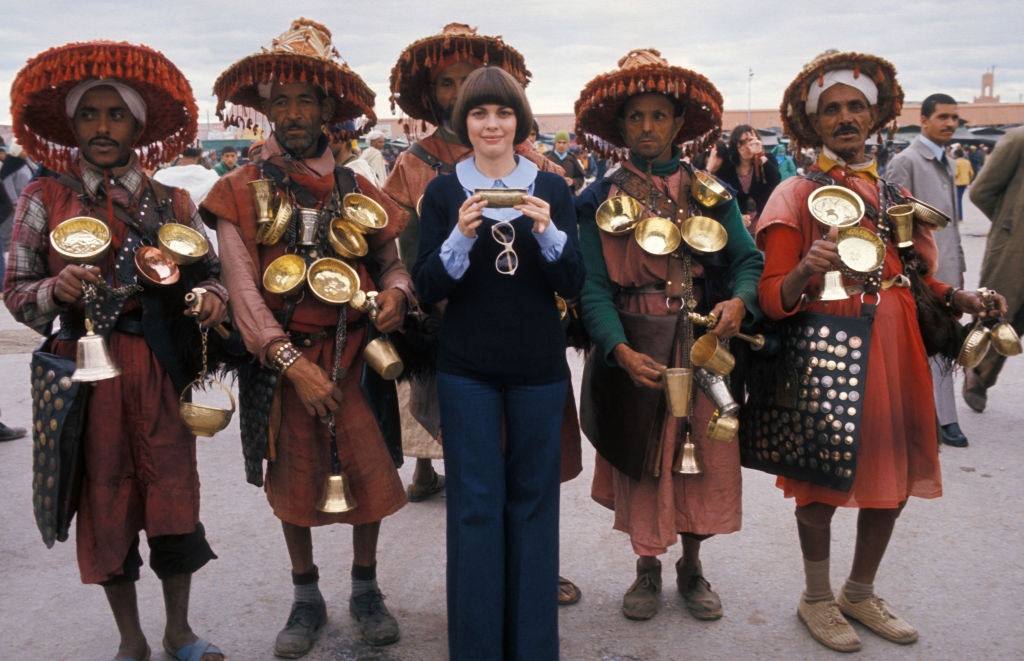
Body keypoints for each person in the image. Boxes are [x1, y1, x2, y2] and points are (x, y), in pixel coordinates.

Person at [755, 50, 1005, 653]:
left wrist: (960, 298)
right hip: (827, 350)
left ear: (874, 117)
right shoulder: (794, 193)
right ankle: (816, 597)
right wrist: (803, 272)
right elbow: (769, 296)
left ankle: (859, 591)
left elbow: (913, 276)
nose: (845, 118)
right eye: (832, 109)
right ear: (812, 124)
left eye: (855, 107)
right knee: (820, 482)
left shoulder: (891, 190)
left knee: (892, 480)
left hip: (897, 352)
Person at [4, 40, 229, 661]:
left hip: (159, 367)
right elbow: (18, 295)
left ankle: (178, 631)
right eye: (89, 115)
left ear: (136, 125)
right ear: (73, 126)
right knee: (103, 498)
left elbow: (210, 272)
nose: (102, 128)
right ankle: (131, 640)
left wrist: (211, 298)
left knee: (172, 492)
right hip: (85, 372)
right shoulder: (42, 200)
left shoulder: (173, 203)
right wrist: (58, 286)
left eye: (115, 115)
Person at [200, 19, 411, 657]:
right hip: (283, 360)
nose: (293, 113)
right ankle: (304, 593)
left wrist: (398, 295)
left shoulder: (358, 186)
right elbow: (241, 289)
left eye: (305, 100)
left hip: (358, 353)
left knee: (369, 473)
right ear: (264, 110)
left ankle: (367, 588)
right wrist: (291, 363)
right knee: (292, 480)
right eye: (280, 100)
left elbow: (392, 261)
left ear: (327, 108)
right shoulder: (237, 190)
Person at [381, 21, 583, 607]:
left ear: (519, 120)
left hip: (539, 367)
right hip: (466, 367)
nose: (491, 124)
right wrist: (461, 238)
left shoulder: (552, 189)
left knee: (534, 501)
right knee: (472, 503)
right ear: (463, 123)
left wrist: (546, 230)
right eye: (478, 113)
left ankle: (530, 637)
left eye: (502, 112)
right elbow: (426, 284)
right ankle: (475, 638)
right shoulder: (445, 193)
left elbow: (572, 282)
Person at [574, 48, 763, 623]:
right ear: (621, 128)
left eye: (660, 116)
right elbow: (592, 287)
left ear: (679, 125)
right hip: (635, 343)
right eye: (637, 118)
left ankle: (692, 566)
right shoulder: (596, 200)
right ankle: (647, 570)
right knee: (643, 456)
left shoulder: (711, 192)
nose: (649, 127)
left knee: (699, 457)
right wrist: (616, 349)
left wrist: (739, 301)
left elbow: (748, 261)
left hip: (700, 344)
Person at [887, 93, 968, 447]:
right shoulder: (905, 162)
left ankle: (941, 415)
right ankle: (938, 418)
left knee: (942, 341)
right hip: (919, 275)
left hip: (948, 268)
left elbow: (949, 225)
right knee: (927, 342)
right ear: (923, 119)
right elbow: (893, 221)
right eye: (943, 117)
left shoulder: (946, 160)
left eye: (954, 118)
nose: (950, 123)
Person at [964, 126, 1024, 411]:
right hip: (1015, 249)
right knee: (1000, 315)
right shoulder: (1018, 139)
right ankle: (977, 375)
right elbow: (981, 192)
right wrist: (1008, 225)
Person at [713, 124, 782, 228]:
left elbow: (776, 179)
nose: (748, 146)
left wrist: (760, 155)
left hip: (764, 222)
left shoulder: (766, 159)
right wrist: (737, 216)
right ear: (736, 145)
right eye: (742, 142)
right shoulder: (727, 167)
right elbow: (721, 198)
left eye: (751, 140)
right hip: (736, 225)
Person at [0, 142, 35, 278]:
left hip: (28, 204)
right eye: (24, 149)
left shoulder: (24, 163)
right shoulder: (10, 167)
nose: (27, 151)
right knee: (12, 240)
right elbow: (7, 187)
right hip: (16, 207)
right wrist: (15, 205)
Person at [153, 146, 221, 207]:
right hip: (200, 217)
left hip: (167, 216)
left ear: (180, 155)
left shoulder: (162, 174)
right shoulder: (212, 176)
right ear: (199, 156)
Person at [954, 146, 974, 216]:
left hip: (957, 182)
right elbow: (971, 173)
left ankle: (959, 216)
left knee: (957, 199)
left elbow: (956, 173)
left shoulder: (956, 162)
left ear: (956, 155)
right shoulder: (967, 162)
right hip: (965, 182)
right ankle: (960, 216)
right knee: (960, 198)